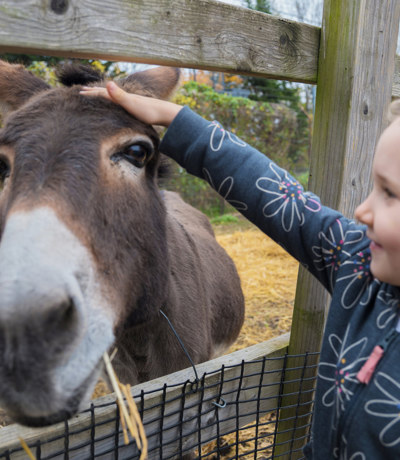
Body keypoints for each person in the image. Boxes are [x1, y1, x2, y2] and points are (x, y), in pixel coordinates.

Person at [81, 82, 400, 459]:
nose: (362, 211)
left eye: (390, 193)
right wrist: (174, 118)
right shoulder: (357, 263)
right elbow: (276, 195)